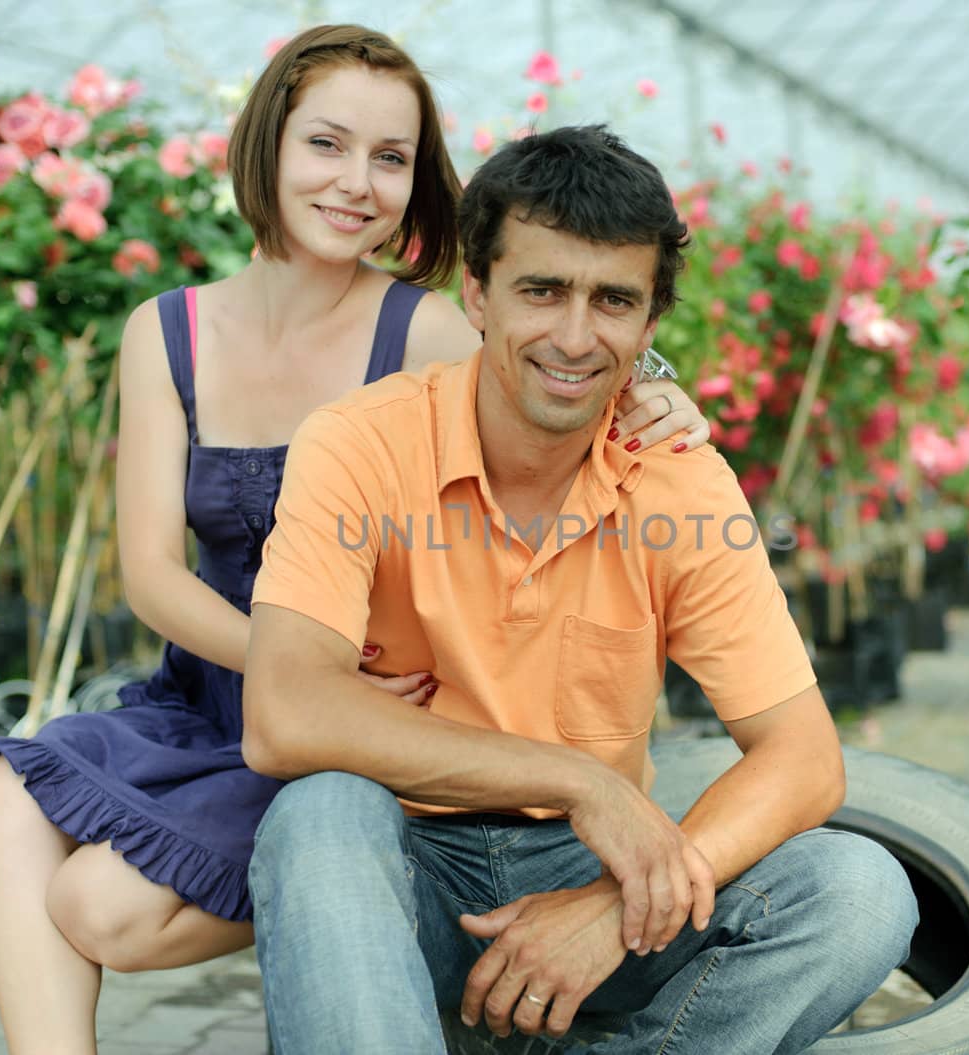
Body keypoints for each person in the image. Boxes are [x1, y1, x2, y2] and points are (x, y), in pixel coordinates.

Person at [0, 27, 710, 1055]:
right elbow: (147, 570)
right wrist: (286, 660)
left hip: (375, 718)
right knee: (5, 788)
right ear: (267, 144)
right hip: (223, 685)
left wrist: (660, 386)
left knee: (100, 907)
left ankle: (385, 916)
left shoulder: (425, 329)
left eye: (391, 158)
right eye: (327, 144)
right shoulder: (166, 331)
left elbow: (565, 362)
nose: (356, 182)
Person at [242, 124, 919, 1055]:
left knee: (856, 890)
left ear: (648, 326)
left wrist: (610, 905)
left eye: (612, 301)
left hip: (598, 875)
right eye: (542, 289)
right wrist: (581, 780)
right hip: (405, 867)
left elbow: (804, 759)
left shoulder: (681, 482)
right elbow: (283, 712)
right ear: (476, 293)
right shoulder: (359, 444)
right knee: (317, 813)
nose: (574, 334)